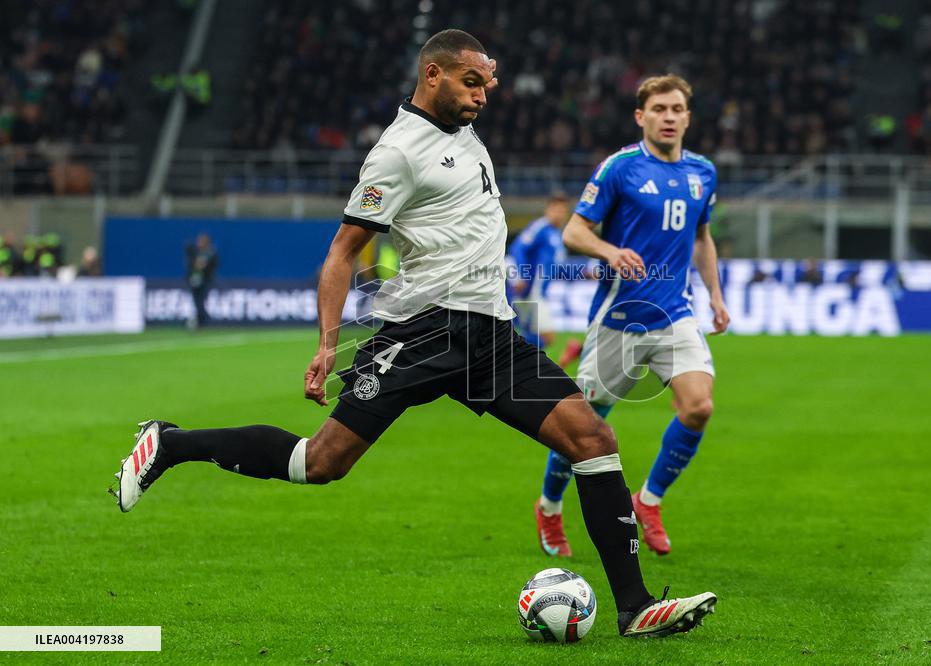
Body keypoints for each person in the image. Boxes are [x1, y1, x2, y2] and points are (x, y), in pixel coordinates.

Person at [112, 30, 716, 638]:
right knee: (320, 463)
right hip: (421, 334)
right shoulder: (396, 153)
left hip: (491, 335)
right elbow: (344, 251)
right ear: (432, 75)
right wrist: (327, 342)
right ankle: (172, 443)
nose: (484, 95)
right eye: (471, 82)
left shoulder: (465, 134)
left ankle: (635, 607)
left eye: (488, 83)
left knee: (592, 437)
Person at [533, 74, 730, 559]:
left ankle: (649, 500)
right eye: (659, 109)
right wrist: (609, 250)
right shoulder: (619, 168)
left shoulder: (703, 172)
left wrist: (717, 297)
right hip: (619, 320)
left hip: (676, 314)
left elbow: (702, 238)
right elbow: (574, 233)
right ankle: (550, 506)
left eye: (676, 109)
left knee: (699, 407)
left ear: (687, 116)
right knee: (583, 429)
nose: (668, 117)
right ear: (641, 116)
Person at [505, 194, 570, 349]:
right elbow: (517, 249)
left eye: (562, 211)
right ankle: (506, 354)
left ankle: (513, 361)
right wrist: (519, 277)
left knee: (530, 335)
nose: (559, 214)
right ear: (548, 210)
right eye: (556, 209)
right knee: (547, 336)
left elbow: (557, 267)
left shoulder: (557, 236)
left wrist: (585, 273)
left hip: (540, 292)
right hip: (530, 291)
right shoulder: (540, 227)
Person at [185, 233, 217, 329]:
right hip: (194, 281)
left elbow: (200, 265)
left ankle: (203, 320)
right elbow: (192, 266)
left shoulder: (209, 252)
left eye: (201, 241)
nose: (199, 243)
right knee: (197, 302)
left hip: (204, 281)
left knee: (200, 301)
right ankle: (201, 320)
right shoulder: (197, 252)